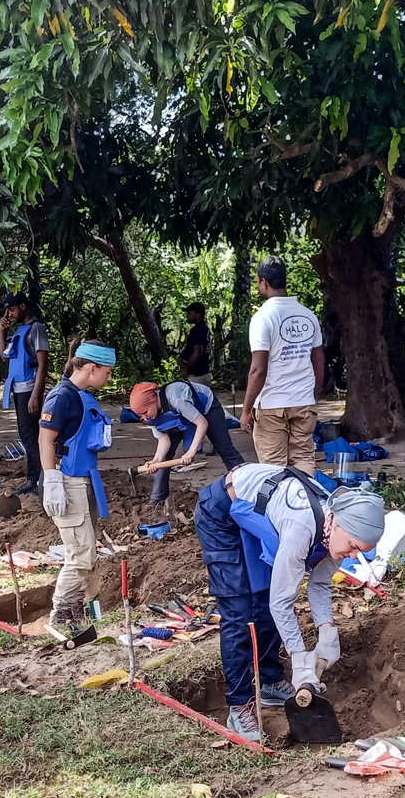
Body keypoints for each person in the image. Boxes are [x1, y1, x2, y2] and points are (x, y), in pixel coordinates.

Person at [195, 464, 385, 742]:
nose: (353, 557)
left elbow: (319, 584)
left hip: (257, 515)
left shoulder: (336, 531)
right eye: (353, 546)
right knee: (240, 610)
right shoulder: (302, 528)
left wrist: (327, 630)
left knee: (267, 593)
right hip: (222, 514)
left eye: (360, 552)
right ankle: (239, 705)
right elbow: (281, 603)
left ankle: (270, 682)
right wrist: (299, 657)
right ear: (336, 522)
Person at [39, 342, 116, 643]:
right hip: (67, 481)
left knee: (86, 551)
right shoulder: (60, 397)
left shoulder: (83, 397)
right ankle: (61, 615)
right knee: (81, 552)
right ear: (91, 368)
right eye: (108, 373)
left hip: (86, 479)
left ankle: (74, 613)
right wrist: (51, 480)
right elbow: (46, 440)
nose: (109, 379)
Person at [241, 256, 324, 476]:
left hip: (272, 404)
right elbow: (318, 361)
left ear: (264, 282)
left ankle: (281, 509)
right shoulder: (308, 316)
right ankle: (304, 506)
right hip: (303, 401)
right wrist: (312, 395)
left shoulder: (263, 318)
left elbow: (258, 370)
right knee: (304, 460)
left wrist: (246, 409)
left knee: (273, 468)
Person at [128, 379, 244, 503]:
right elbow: (163, 440)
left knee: (225, 449)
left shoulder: (176, 398)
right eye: (141, 415)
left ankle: (245, 485)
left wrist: (191, 451)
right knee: (165, 456)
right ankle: (158, 499)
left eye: (145, 412)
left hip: (206, 408)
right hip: (181, 417)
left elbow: (202, 423)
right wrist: (156, 461)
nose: (145, 417)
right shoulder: (150, 417)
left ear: (154, 400)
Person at [0, 293, 50, 494]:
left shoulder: (36, 329)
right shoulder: (20, 331)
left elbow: (42, 364)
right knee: (27, 434)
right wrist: (2, 332)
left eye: (11, 309)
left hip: (29, 389)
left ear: (22, 306)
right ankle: (35, 478)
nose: (8, 313)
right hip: (18, 389)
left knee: (30, 436)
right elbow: (5, 356)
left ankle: (36, 480)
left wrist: (36, 394)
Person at [178, 302, 213, 386]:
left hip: (197, 376)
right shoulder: (205, 328)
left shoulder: (198, 330)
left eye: (190, 313)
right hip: (203, 372)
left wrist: (186, 368)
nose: (187, 316)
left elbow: (197, 353)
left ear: (197, 314)